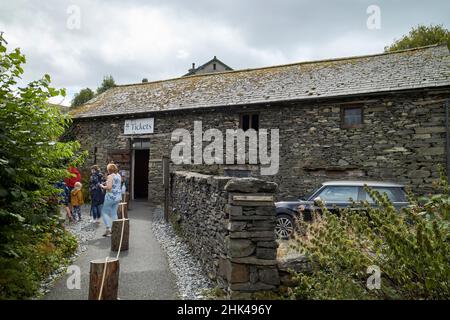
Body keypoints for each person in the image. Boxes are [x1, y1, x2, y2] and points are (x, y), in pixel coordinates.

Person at [100, 163, 122, 237]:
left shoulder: (110, 176)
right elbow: (116, 184)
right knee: (114, 212)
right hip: (117, 197)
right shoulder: (118, 175)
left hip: (110, 196)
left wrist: (102, 186)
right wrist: (107, 182)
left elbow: (109, 187)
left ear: (109, 170)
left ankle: (108, 228)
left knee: (104, 212)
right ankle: (116, 229)